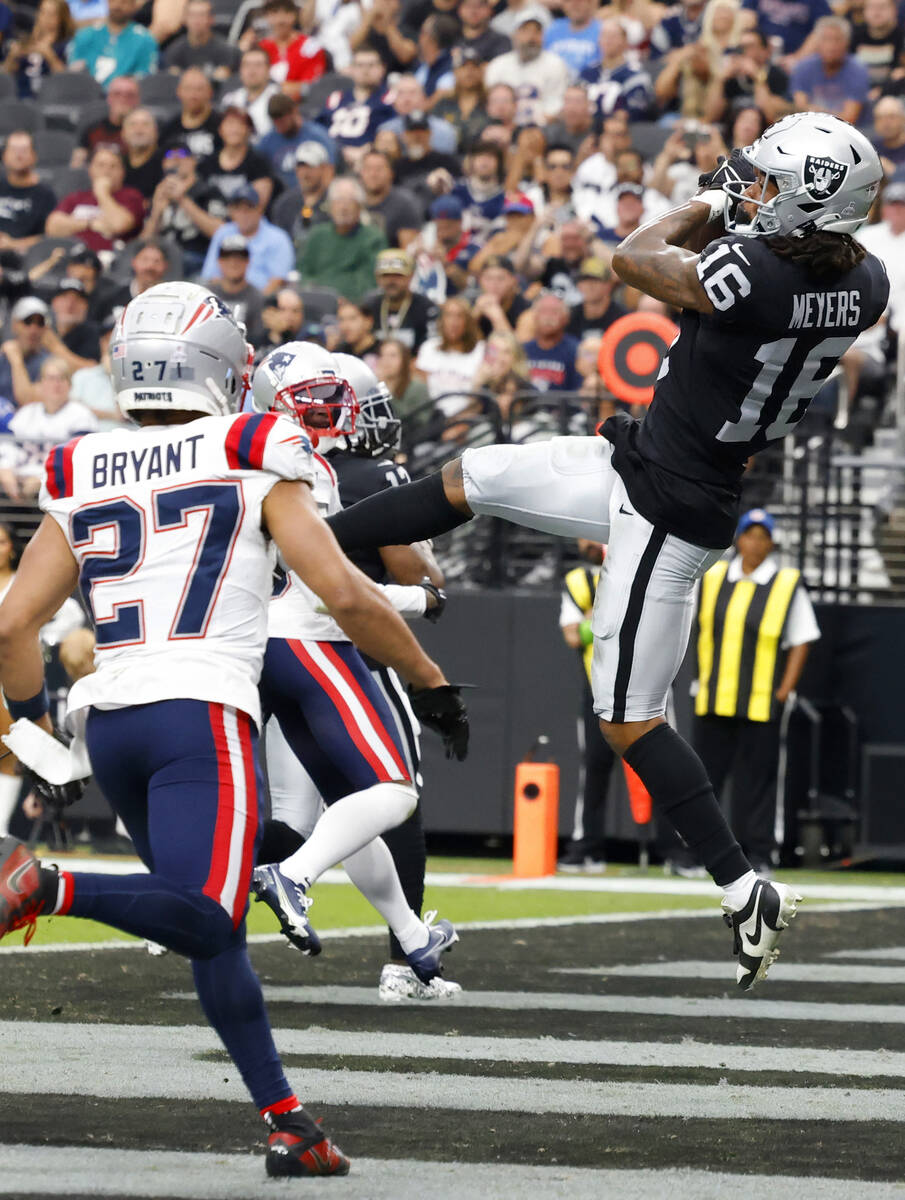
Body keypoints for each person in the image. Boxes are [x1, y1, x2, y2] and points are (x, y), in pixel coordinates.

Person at [323, 112, 891, 990]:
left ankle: (741, 889)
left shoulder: (761, 273)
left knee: (627, 715)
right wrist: (748, 209)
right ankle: (306, 547)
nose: (754, 194)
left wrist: (704, 200)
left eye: (772, 187)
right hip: (646, 461)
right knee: (468, 476)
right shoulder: (866, 282)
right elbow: (783, 262)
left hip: (670, 504)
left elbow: (631, 256)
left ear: (815, 207)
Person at [0, 281, 467, 1179]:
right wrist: (429, 680)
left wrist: (33, 741)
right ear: (220, 362)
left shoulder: (80, 462)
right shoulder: (251, 441)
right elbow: (345, 594)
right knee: (205, 912)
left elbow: (15, 628)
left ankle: (287, 1122)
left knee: (210, 933)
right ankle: (44, 887)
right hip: (198, 712)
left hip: (110, 722)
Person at [249, 345, 462, 1002]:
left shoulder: (247, 465)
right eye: (324, 403)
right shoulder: (345, 476)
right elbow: (344, 590)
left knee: (334, 806)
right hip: (336, 651)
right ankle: (303, 888)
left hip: (256, 648)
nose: (339, 416)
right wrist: (422, 597)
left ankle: (412, 940)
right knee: (393, 796)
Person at [693, 509, 820, 875]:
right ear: (739, 539)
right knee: (705, 779)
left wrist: (783, 690)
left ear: (772, 543)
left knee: (759, 783)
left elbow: (803, 639)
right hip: (713, 696)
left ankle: (760, 853)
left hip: (761, 701)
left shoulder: (785, 583)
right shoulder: (714, 577)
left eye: (763, 536)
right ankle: (704, 853)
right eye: (750, 534)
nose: (755, 542)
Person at [558, 538, 616, 871]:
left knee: (659, 771)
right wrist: (597, 621)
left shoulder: (632, 570)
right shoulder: (576, 581)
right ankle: (589, 847)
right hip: (597, 690)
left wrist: (592, 620)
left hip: (642, 687)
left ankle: (679, 850)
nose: (587, 542)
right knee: (594, 768)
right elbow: (573, 636)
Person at [0, 356, 98, 501]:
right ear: (41, 383)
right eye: (50, 378)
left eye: (61, 379)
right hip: (18, 484)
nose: (56, 384)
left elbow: (78, 462)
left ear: (70, 385)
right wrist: (6, 471)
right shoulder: (26, 413)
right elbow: (8, 449)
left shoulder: (82, 415)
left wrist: (42, 478)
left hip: (59, 489)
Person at [143, 141, 228, 277]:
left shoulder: (208, 191)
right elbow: (145, 242)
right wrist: (156, 211)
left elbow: (222, 232)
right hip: (162, 261)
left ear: (193, 161)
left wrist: (183, 200)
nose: (176, 159)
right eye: (169, 155)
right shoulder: (159, 193)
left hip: (198, 258)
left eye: (182, 154)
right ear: (164, 164)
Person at [297, 177, 387, 301]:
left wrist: (344, 299)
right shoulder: (317, 235)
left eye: (350, 201)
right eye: (338, 201)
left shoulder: (373, 238)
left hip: (356, 307)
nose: (344, 208)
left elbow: (371, 281)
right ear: (330, 206)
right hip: (317, 303)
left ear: (360, 207)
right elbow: (303, 274)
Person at [46, 145, 145, 252]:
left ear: (123, 172)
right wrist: (90, 224)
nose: (106, 171)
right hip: (74, 256)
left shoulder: (131, 196)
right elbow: (52, 227)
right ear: (90, 170)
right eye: (100, 165)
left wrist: (102, 193)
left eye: (113, 166)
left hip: (111, 258)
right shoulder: (76, 197)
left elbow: (119, 225)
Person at [201, 185, 294, 294]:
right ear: (231, 211)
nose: (243, 214)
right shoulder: (223, 233)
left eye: (248, 208)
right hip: (225, 300)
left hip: (263, 302)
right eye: (238, 209)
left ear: (260, 209)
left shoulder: (278, 238)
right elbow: (212, 276)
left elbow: (278, 280)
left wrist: (256, 304)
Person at [484, 7, 569, 121]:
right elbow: (491, 105)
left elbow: (556, 106)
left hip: (541, 128)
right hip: (503, 125)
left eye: (537, 31)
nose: (531, 37)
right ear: (514, 34)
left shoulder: (555, 64)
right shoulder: (497, 65)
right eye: (525, 30)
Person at [316, 47, 395, 169]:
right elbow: (319, 129)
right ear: (351, 69)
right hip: (333, 158)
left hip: (371, 159)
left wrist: (369, 149)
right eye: (360, 65)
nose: (365, 70)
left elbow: (392, 133)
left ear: (382, 68)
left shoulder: (389, 98)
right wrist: (340, 150)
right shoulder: (336, 98)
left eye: (371, 65)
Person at [789, 16, 871, 124]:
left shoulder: (858, 70)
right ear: (817, 43)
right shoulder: (803, 67)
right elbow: (800, 110)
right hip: (808, 128)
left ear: (847, 43)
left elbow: (849, 119)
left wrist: (815, 112)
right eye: (826, 39)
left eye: (837, 39)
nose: (831, 46)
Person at [415, 295, 484, 412]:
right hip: (432, 414)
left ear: (468, 322)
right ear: (441, 320)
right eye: (449, 315)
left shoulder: (480, 350)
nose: (454, 322)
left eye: (459, 316)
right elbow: (420, 386)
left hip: (467, 415)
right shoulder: (429, 347)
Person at [67, 0, 158, 88]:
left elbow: (145, 76)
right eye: (112, 1)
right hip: (86, 96)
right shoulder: (86, 35)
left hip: (124, 98)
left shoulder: (144, 39)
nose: (117, 6)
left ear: (133, 5)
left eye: (124, 2)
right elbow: (73, 68)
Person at [363, 248, 439, 352]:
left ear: (410, 276)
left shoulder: (425, 308)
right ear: (377, 278)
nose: (391, 281)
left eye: (397, 275)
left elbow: (432, 346)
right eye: (385, 276)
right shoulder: (369, 306)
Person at [198, 106, 274, 209]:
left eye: (240, 124)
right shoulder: (207, 162)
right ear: (220, 130)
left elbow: (258, 209)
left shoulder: (259, 163)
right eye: (229, 124)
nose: (234, 129)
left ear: (249, 130)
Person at [258, 93, 336, 192]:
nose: (279, 128)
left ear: (294, 112)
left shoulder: (318, 137)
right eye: (275, 122)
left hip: (313, 192)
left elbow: (328, 172)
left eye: (282, 121)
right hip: (281, 198)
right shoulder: (267, 141)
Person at [2, 0, 74, 100]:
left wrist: (49, 56)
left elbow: (68, 80)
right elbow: (6, 74)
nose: (45, 18)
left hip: (50, 97)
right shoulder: (26, 41)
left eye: (51, 14)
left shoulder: (65, 45)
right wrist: (12, 57)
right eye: (42, 12)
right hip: (20, 95)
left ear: (61, 18)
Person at [0, 131, 57, 253]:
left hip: (25, 256)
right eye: (14, 150)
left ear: (34, 156)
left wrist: (13, 244)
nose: (18, 155)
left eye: (24, 150)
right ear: (4, 156)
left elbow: (50, 236)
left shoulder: (46, 195)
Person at [256, 0, 327, 99]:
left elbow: (312, 86)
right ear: (267, 17)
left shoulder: (310, 47)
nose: (280, 20)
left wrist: (278, 88)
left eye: (287, 12)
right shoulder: (260, 48)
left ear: (295, 15)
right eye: (274, 12)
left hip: (300, 106)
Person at [0, 524, 22, 835]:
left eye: (1, 541)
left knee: (9, 748)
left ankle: (1, 829)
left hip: (13, 673)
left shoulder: (23, 583)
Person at [207, 234, 266, 347]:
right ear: (219, 261)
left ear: (247, 262)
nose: (233, 263)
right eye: (227, 257)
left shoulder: (257, 298)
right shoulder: (207, 295)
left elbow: (258, 339)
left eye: (239, 258)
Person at [270, 141, 334, 240]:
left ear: (324, 168)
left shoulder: (335, 202)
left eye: (311, 167)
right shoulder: (285, 204)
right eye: (301, 167)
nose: (305, 173)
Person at [359, 149, 422, 251]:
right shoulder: (352, 201)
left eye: (379, 169)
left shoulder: (404, 204)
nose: (373, 174)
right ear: (361, 173)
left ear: (391, 173)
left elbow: (409, 252)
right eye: (368, 169)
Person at [72, 73, 140, 165]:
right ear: (109, 98)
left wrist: (167, 155)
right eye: (117, 94)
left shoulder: (143, 131)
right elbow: (77, 163)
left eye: (129, 95)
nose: (123, 99)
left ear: (137, 100)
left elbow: (165, 153)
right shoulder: (92, 130)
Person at [0, 296, 50, 420]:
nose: (33, 329)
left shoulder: (49, 363)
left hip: (28, 430)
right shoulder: (2, 358)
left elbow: (27, 399)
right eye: (27, 322)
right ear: (14, 325)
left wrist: (16, 359)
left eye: (40, 323)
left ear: (45, 328)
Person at [163, 0, 240, 80]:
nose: (197, 20)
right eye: (192, 15)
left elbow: (221, 79)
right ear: (184, 19)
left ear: (211, 19)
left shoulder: (226, 50)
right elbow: (174, 79)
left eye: (202, 15)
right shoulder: (174, 50)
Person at [521, 291, 581, 393]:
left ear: (566, 318)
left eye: (554, 312)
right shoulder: (522, 351)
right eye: (543, 311)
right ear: (534, 317)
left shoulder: (576, 351)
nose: (548, 317)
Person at [159, 67, 222, 161]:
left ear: (210, 92)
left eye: (199, 89)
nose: (193, 95)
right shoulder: (169, 128)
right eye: (188, 89)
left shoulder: (221, 125)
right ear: (178, 92)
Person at [220, 47, 281, 137]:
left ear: (268, 70)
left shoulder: (279, 97)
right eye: (247, 65)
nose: (252, 71)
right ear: (240, 70)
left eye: (258, 65)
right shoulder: (230, 99)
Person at [46, 277, 101, 371]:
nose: (70, 305)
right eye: (64, 298)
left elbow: (92, 370)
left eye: (77, 299)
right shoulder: (42, 328)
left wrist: (55, 347)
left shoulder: (94, 334)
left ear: (85, 306)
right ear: (54, 302)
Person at [568, 257, 626, 338]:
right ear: (579, 285)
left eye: (596, 280)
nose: (590, 285)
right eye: (585, 280)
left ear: (608, 285)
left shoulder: (622, 318)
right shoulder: (570, 317)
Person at [377, 335, 429, 420]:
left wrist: (384, 390)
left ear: (404, 359)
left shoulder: (418, 387)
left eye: (392, 356)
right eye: (383, 355)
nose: (386, 360)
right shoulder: (376, 386)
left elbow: (413, 421)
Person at [121, 107, 163, 204]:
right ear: (123, 133)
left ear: (156, 132)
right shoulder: (117, 164)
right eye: (133, 125)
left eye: (145, 124)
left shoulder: (165, 160)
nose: (139, 130)